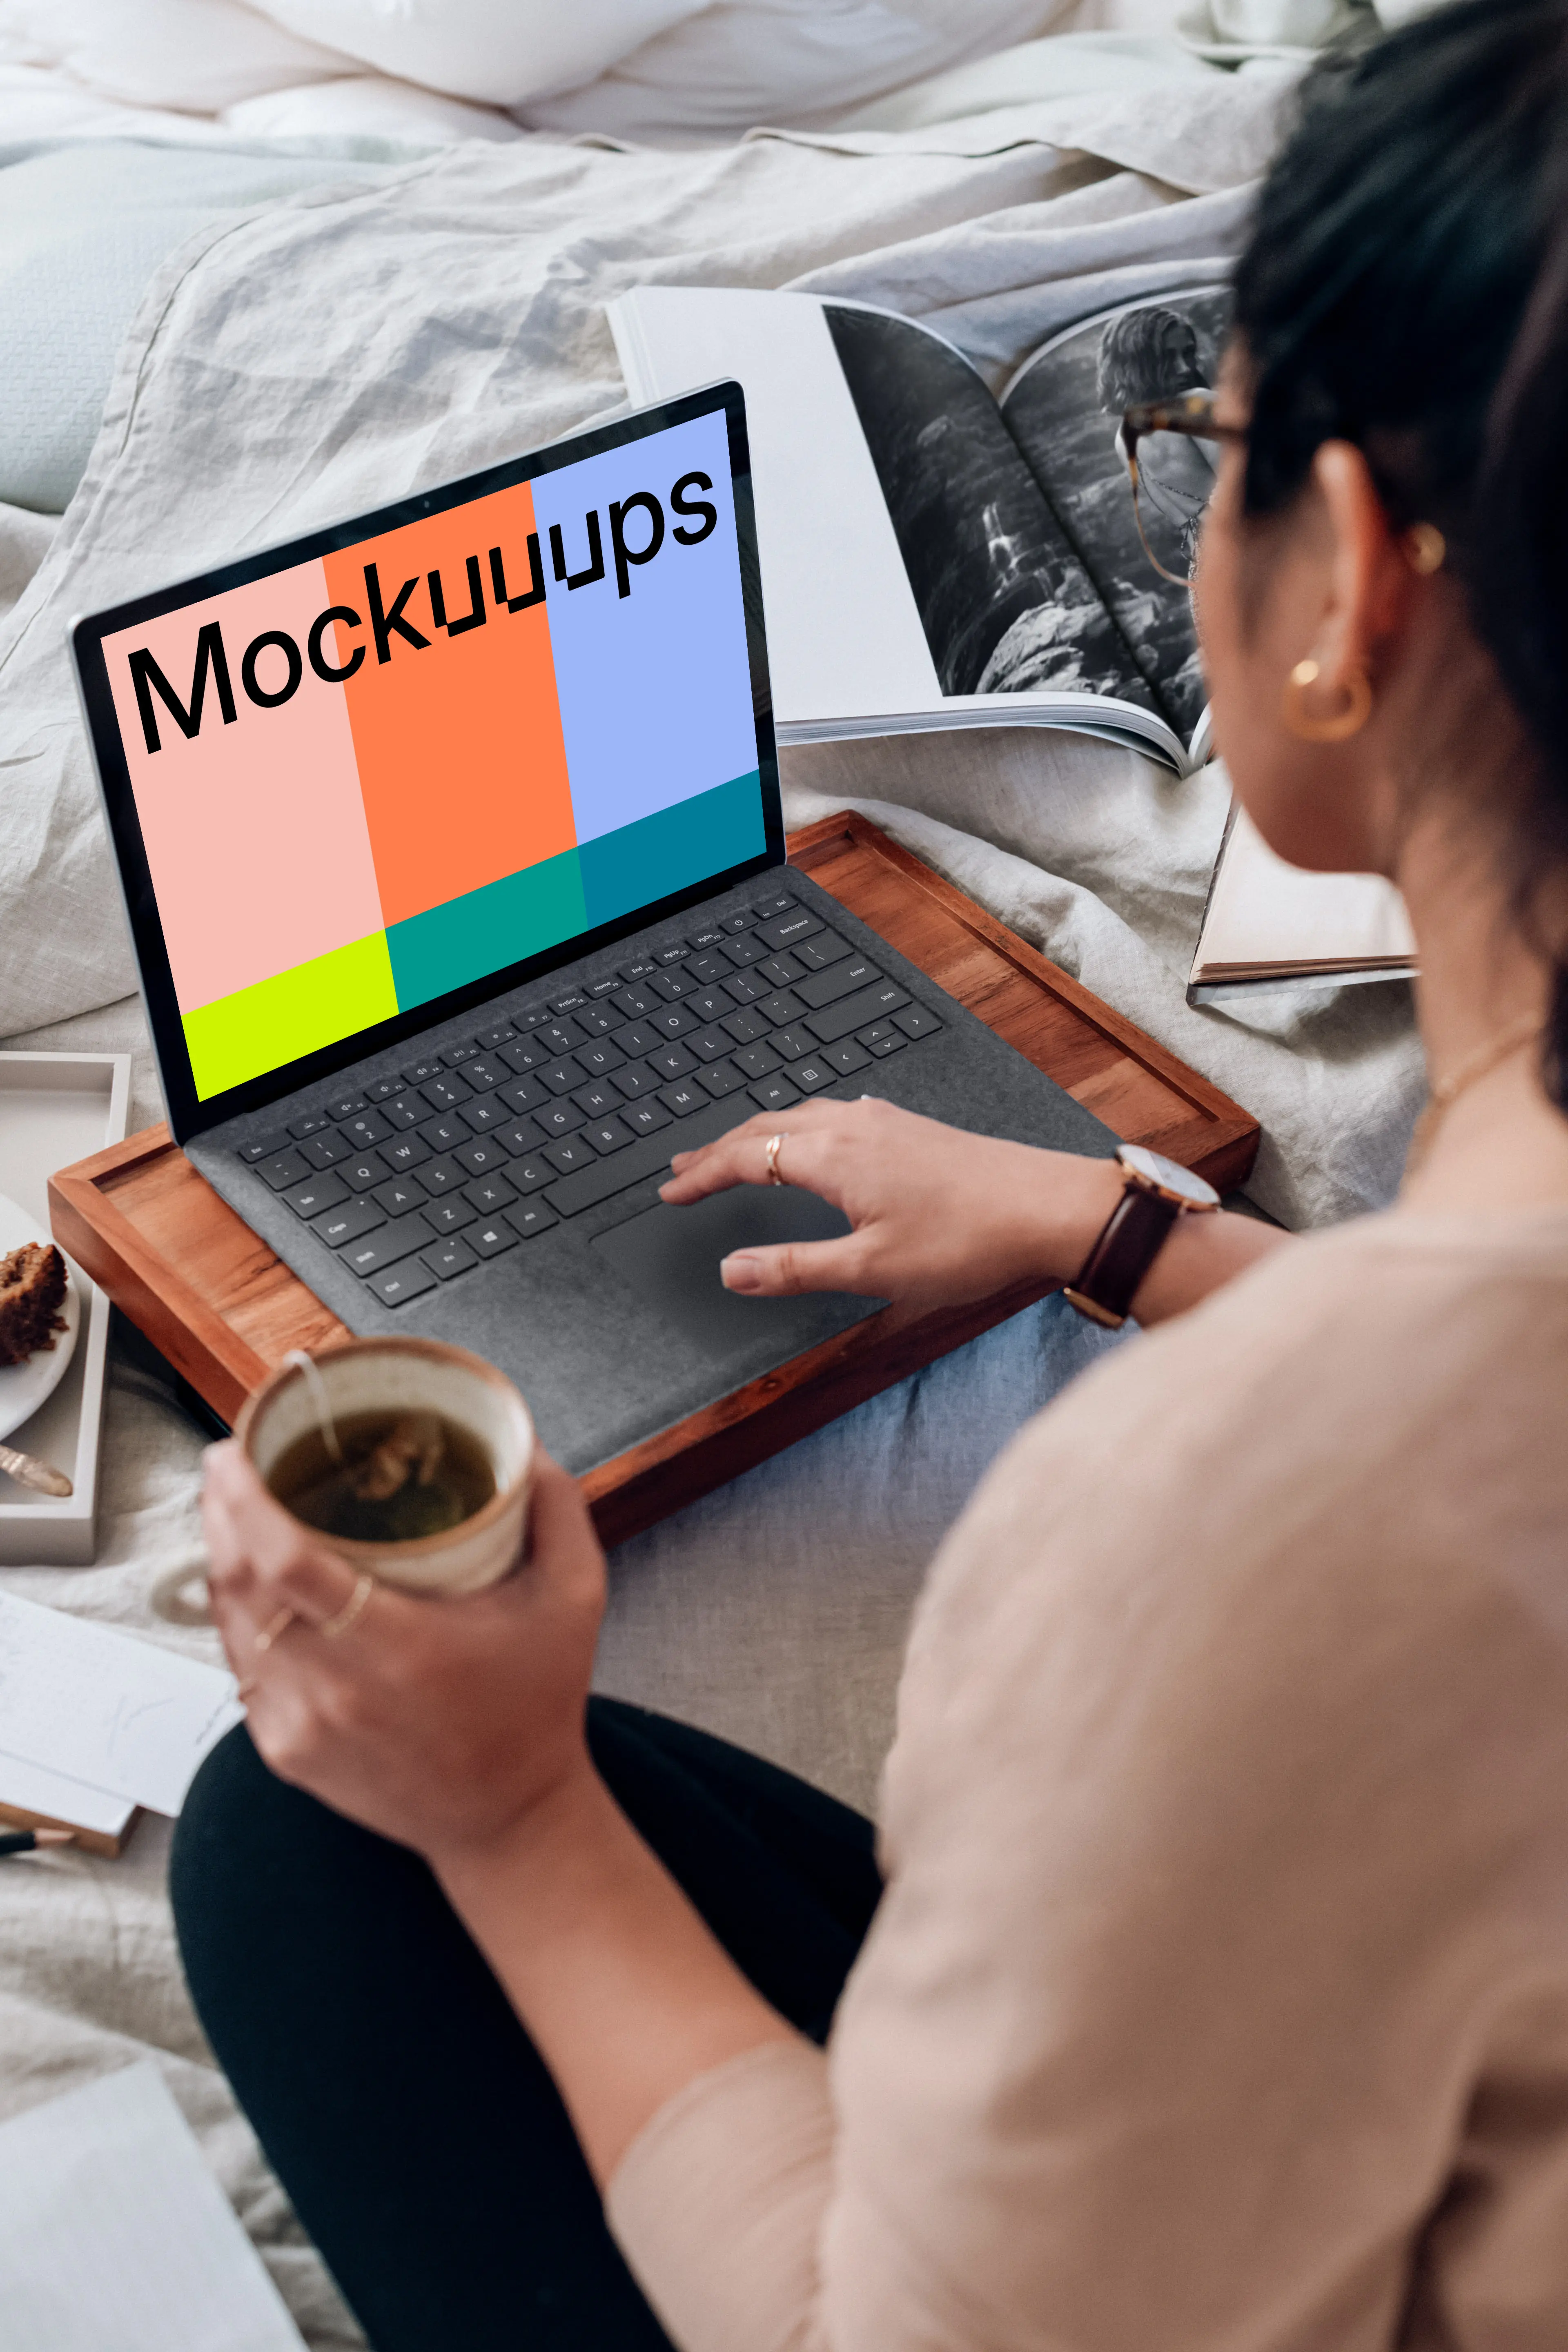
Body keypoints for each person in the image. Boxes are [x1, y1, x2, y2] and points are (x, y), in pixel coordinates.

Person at [172, 2, 1568, 2343]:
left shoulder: (1224, 1546)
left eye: (1196, 438)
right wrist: (1128, 1225)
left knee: (304, 1842)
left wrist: (512, 1816)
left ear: (1354, 582)